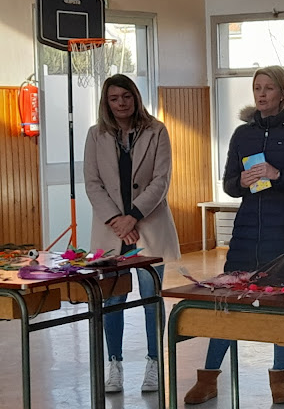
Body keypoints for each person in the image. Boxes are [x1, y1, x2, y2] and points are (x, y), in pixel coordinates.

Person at [184, 65, 284, 405]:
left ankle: (280, 379)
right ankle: (208, 378)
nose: (261, 94)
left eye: (268, 88)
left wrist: (279, 175)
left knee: (282, 306)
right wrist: (241, 182)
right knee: (227, 304)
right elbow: (229, 184)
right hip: (246, 234)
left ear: (282, 93)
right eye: (257, 88)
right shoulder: (242, 135)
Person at [84, 74, 181, 393]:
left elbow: (161, 180)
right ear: (106, 102)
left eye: (126, 97)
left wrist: (133, 217)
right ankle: (115, 364)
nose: (121, 103)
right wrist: (117, 220)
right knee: (113, 299)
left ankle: (154, 362)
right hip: (111, 232)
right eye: (114, 98)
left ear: (136, 98)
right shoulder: (95, 135)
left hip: (148, 226)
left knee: (151, 298)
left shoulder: (157, 130)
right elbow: (92, 183)